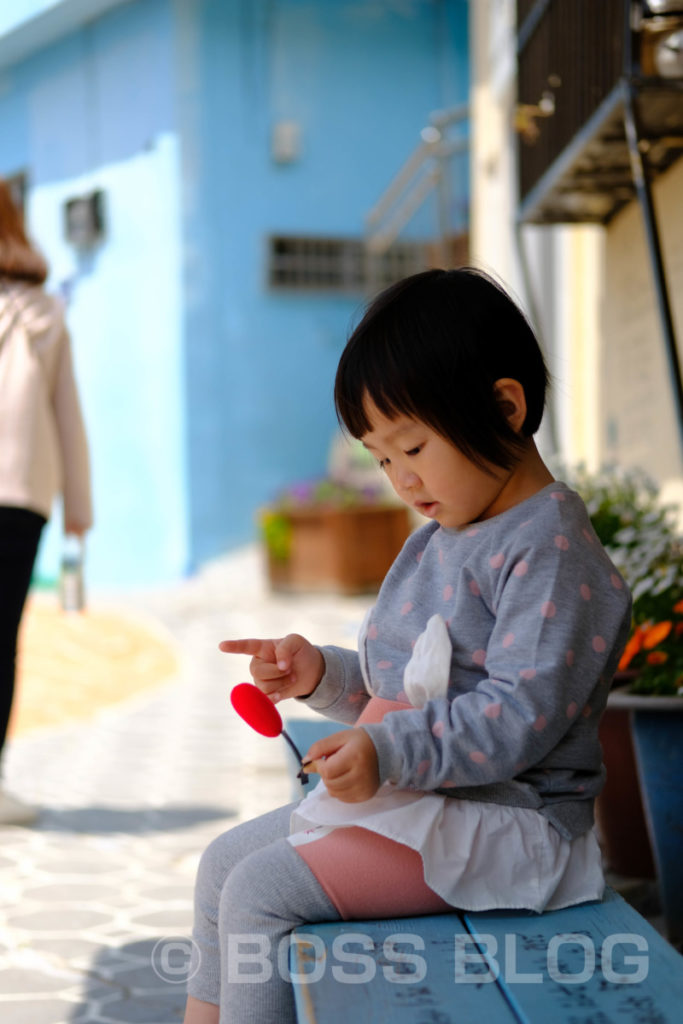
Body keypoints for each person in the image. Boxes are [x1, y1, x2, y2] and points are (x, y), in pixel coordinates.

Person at [183, 268, 632, 1024]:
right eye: (381, 458)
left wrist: (385, 754)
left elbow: (516, 714)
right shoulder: (442, 539)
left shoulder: (550, 549)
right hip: (428, 805)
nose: (399, 478)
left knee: (260, 893)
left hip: (510, 828)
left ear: (504, 407)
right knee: (222, 863)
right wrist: (322, 674)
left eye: (413, 446)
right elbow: (408, 692)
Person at [0, 179, 93, 825]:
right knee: (2, 640)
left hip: (21, 495)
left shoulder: (49, 313)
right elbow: (67, 415)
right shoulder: (44, 311)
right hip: (23, 493)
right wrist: (77, 509)